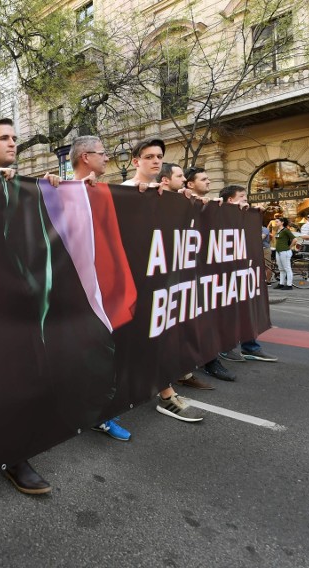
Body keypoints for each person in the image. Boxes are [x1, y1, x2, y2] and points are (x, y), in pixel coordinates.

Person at [0, 117, 55, 491]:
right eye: (4, 138)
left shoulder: (24, 186)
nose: (12, 144)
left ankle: (13, 455)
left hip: (18, 301)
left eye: (14, 138)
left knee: (19, 377)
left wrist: (55, 189)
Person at [121, 139, 204, 423]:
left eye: (159, 156)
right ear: (136, 162)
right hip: (135, 281)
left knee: (159, 334)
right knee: (147, 336)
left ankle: (164, 390)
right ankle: (164, 394)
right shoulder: (125, 192)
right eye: (149, 157)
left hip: (162, 277)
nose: (155, 161)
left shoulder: (168, 196)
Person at [66, 135, 134, 439]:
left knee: (102, 352)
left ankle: (99, 412)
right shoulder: (61, 192)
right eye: (102, 153)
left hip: (105, 288)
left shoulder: (105, 192)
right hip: (76, 291)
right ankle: (96, 413)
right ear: (85, 157)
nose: (107, 158)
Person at [177, 166, 237, 386]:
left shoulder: (211, 205)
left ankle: (209, 359)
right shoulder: (181, 202)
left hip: (205, 272)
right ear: (190, 184)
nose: (209, 182)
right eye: (204, 179)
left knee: (208, 317)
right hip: (185, 273)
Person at [217, 185, 279, 363]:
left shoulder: (245, 216)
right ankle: (225, 347)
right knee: (228, 312)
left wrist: (251, 216)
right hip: (226, 275)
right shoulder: (220, 216)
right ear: (230, 200)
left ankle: (250, 347)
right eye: (242, 197)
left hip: (244, 273)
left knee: (247, 310)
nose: (246, 200)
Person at [273, 217, 298, 290]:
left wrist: (289, 247)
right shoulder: (278, 230)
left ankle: (289, 285)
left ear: (282, 222)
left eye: (277, 221)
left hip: (285, 251)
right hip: (278, 251)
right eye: (275, 221)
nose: (275, 223)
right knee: (281, 268)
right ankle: (281, 283)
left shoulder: (286, 230)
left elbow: (295, 239)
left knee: (287, 268)